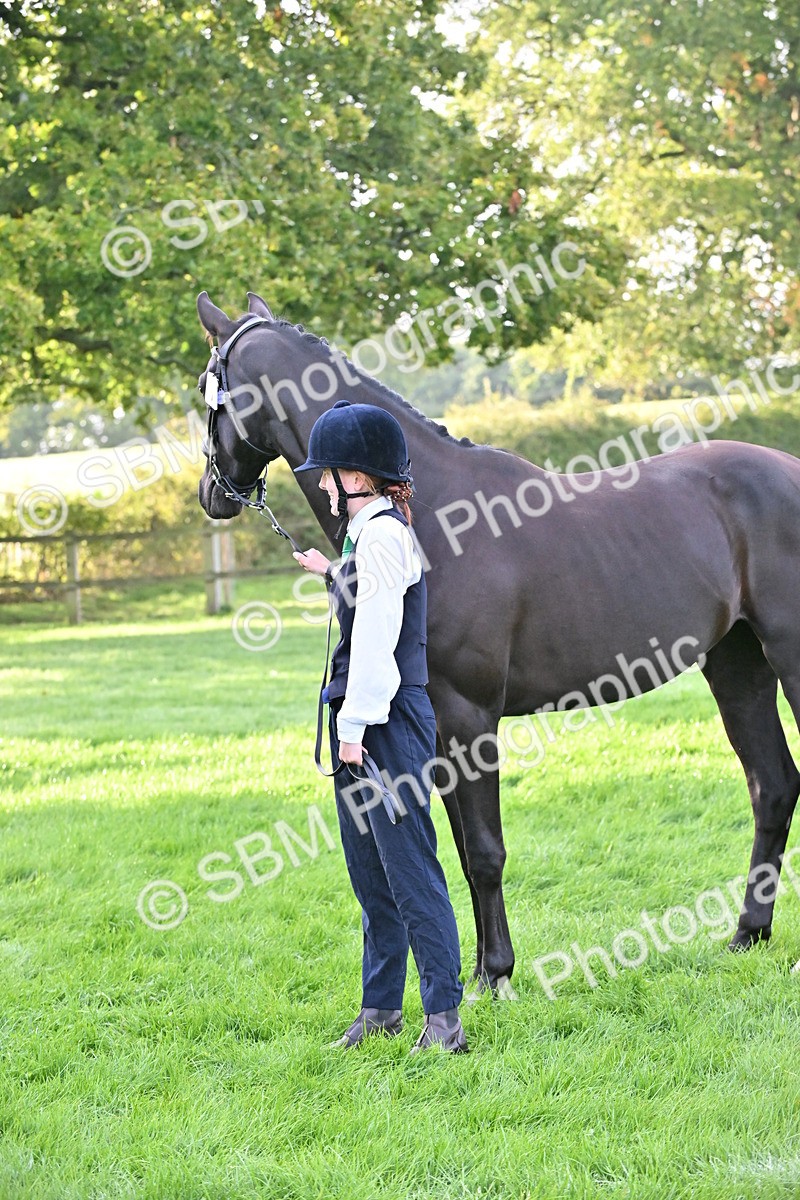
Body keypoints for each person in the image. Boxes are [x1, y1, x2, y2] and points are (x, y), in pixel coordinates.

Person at [292, 400, 468, 1055]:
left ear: (357, 478)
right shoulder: (368, 535)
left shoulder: (385, 535)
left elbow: (376, 635)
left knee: (411, 869)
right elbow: (369, 596)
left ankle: (444, 1021)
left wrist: (354, 726)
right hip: (369, 719)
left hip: (383, 723)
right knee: (371, 875)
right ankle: (380, 1009)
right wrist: (330, 571)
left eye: (328, 472)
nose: (321, 483)